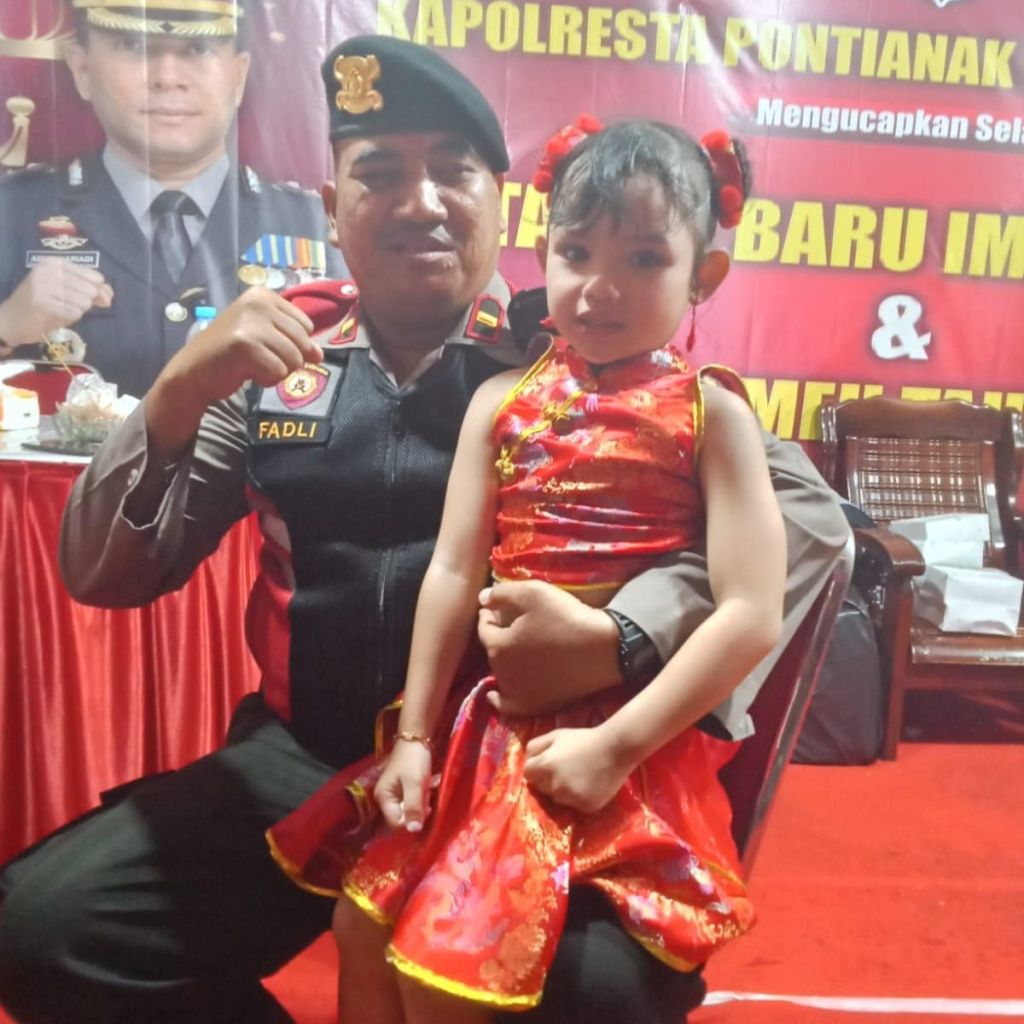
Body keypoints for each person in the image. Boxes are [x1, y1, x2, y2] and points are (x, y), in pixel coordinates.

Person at [0, 34, 849, 1024]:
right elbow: (104, 572)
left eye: (452, 171)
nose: (421, 202)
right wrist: (177, 392)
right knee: (40, 930)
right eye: (381, 174)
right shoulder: (279, 360)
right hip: (303, 758)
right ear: (331, 206)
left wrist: (621, 636)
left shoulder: (578, 354)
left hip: (507, 763)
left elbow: (808, 517)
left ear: (501, 203)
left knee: (597, 993)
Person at [266, 115, 785, 1023]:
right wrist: (414, 739)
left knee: (449, 972)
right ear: (542, 252)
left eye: (645, 260)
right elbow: (452, 572)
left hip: (624, 739)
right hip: (485, 731)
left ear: (705, 274)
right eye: (577, 252)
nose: (601, 288)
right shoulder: (502, 401)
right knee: (360, 927)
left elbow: (751, 612)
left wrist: (615, 747)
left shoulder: (714, 416)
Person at [0, 0, 342, 399]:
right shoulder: (11, 213)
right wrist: (7, 325)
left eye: (197, 49)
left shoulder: (315, 225)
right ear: (83, 70)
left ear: (238, 76)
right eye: (133, 46)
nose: (167, 78)